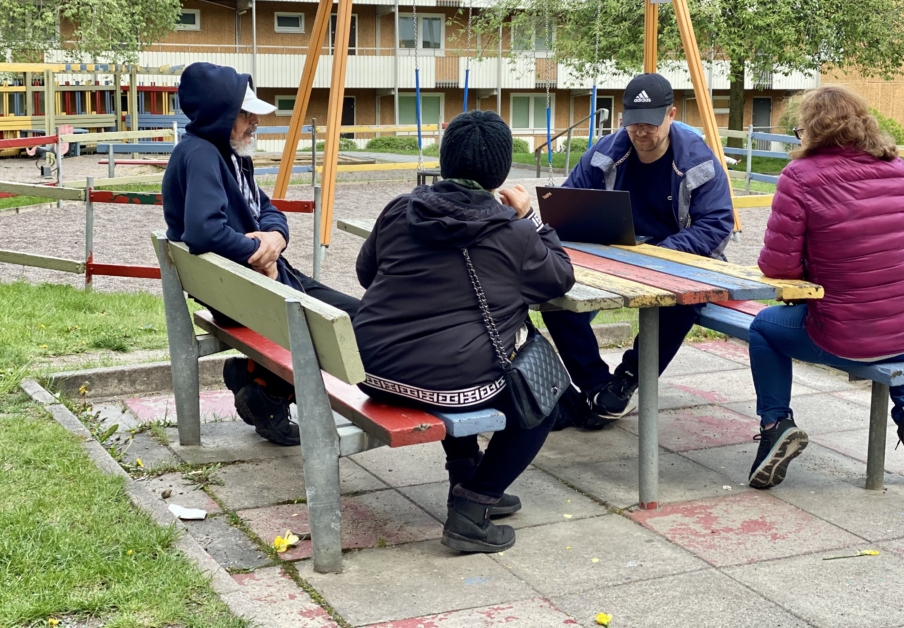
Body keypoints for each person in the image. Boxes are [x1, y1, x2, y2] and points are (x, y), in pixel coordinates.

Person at [352, 110, 575, 554]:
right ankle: (473, 508)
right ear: (501, 169)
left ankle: (465, 478)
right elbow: (559, 278)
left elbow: (365, 274)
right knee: (544, 394)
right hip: (446, 383)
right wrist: (531, 218)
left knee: (467, 351)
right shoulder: (513, 232)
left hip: (369, 368)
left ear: (446, 159)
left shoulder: (400, 208)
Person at [748, 85, 904, 489]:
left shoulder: (799, 177)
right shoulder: (897, 169)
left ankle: (775, 425)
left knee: (763, 328)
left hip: (847, 335)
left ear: (811, 130)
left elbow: (777, 267)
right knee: (893, 326)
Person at [162, 62, 361, 447]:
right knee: (350, 322)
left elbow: (268, 209)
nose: (254, 120)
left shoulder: (229, 153)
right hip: (249, 289)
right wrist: (259, 251)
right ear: (218, 115)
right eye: (244, 113)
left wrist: (274, 239)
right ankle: (267, 392)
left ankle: (257, 376)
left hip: (241, 284)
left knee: (345, 313)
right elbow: (203, 230)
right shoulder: (203, 155)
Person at [543, 72, 734, 429]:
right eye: (633, 124)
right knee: (555, 295)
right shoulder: (604, 154)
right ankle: (599, 387)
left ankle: (629, 377)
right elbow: (566, 207)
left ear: (672, 114)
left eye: (650, 124)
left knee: (685, 301)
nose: (642, 132)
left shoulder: (699, 162)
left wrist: (660, 252)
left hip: (676, 261)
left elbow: (715, 227)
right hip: (613, 254)